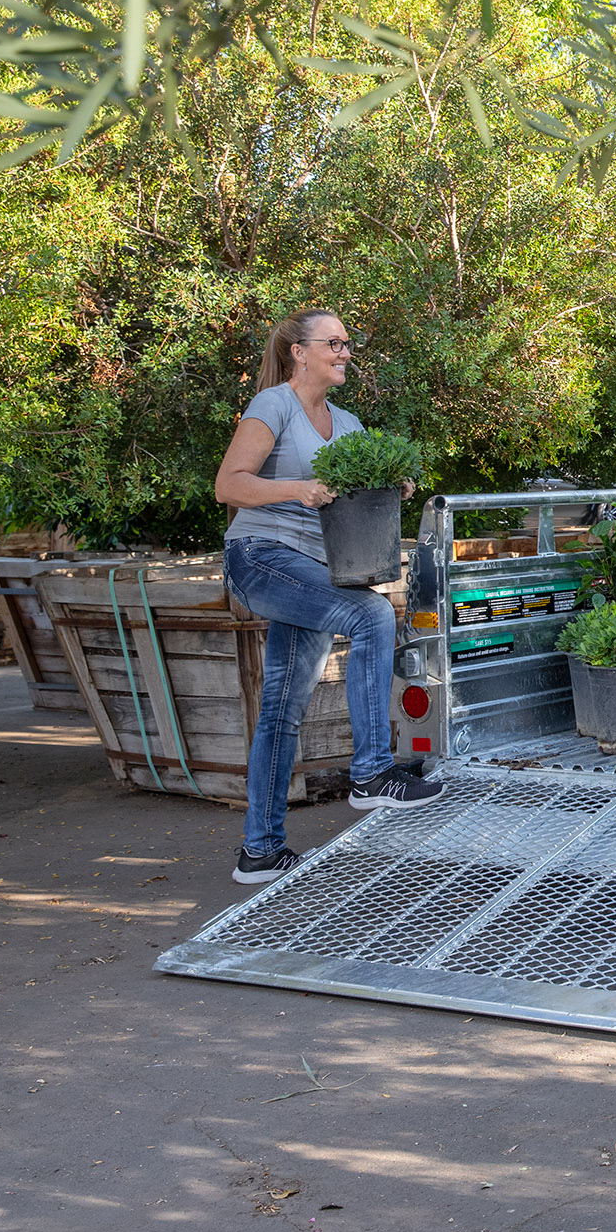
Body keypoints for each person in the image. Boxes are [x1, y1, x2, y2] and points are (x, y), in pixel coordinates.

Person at [214, 308, 443, 884]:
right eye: (334, 343)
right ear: (299, 351)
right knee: (370, 614)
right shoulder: (274, 405)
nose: (345, 352)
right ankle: (370, 773)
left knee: (281, 709)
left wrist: (392, 483)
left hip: (314, 570)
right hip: (262, 558)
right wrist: (299, 488)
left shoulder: (347, 423)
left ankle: (259, 851)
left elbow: (356, 492)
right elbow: (229, 484)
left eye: (348, 343)